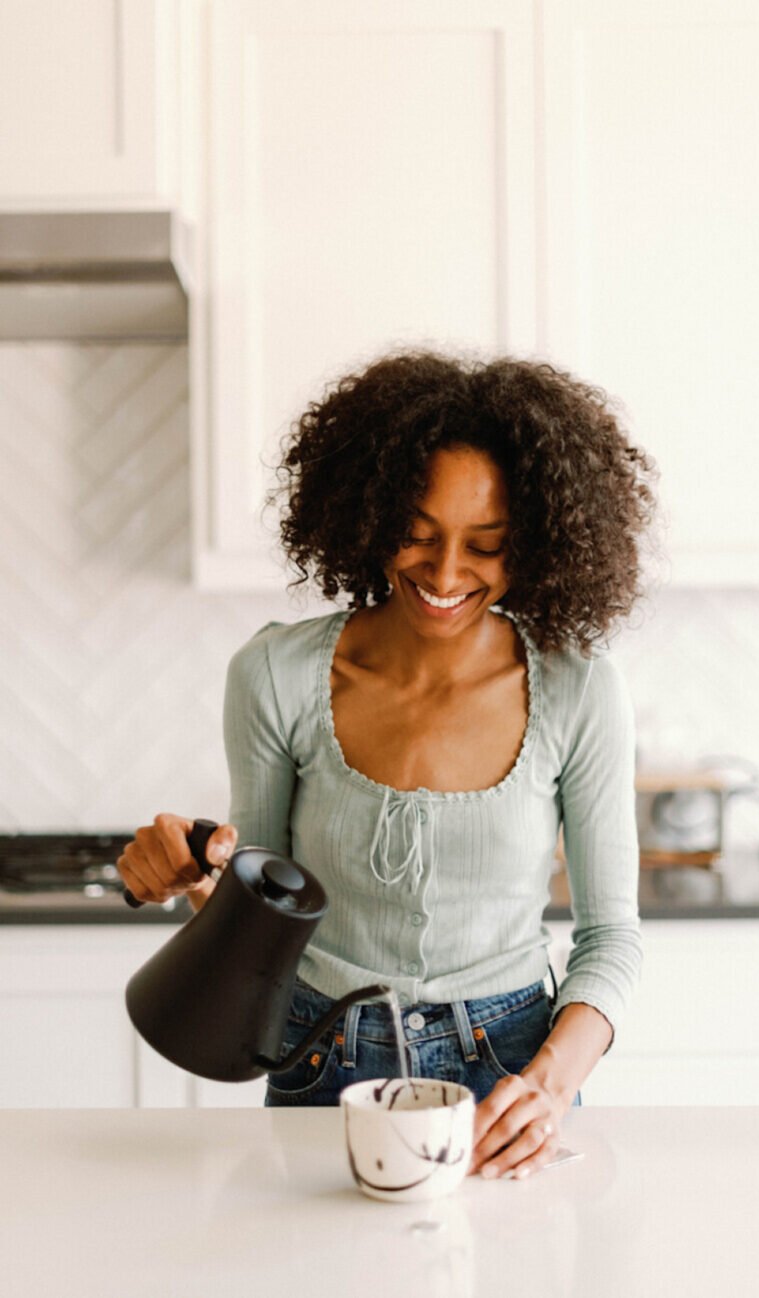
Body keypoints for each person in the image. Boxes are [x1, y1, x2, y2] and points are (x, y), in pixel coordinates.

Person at [118, 349, 656, 1181]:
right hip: (319, 1064)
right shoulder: (276, 676)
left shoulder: (580, 692)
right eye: (416, 533)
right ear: (367, 515)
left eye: (486, 544)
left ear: (537, 543)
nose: (444, 574)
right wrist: (182, 871)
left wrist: (552, 1083)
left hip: (511, 1078)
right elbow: (259, 919)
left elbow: (610, 937)